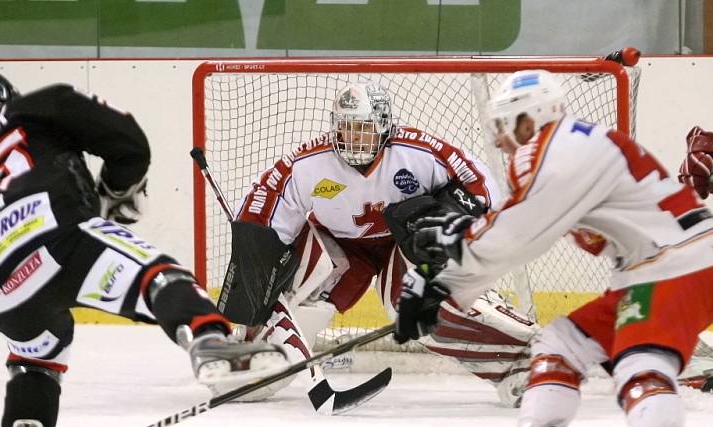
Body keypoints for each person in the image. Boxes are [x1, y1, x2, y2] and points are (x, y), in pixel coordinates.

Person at [395, 69, 713, 427]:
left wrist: (445, 269)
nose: (501, 138)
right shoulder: (572, 147)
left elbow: (516, 235)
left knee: (639, 358)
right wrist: (444, 282)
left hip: (676, 263)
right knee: (561, 343)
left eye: (506, 123)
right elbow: (538, 234)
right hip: (660, 264)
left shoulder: (559, 147)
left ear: (531, 118)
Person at [0, 72, 284, 427]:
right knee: (158, 275)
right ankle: (210, 340)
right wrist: (113, 189)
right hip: (53, 231)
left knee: (36, 357)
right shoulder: (35, 105)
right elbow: (127, 140)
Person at [217, 81, 538, 405]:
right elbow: (266, 204)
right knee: (300, 298)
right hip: (344, 247)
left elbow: (479, 184)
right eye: (346, 128)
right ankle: (250, 363)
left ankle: (523, 356)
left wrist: (449, 221)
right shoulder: (309, 163)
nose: (354, 137)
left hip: (408, 242)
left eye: (364, 128)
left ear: (383, 126)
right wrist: (257, 259)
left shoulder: (417, 152)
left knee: (415, 307)